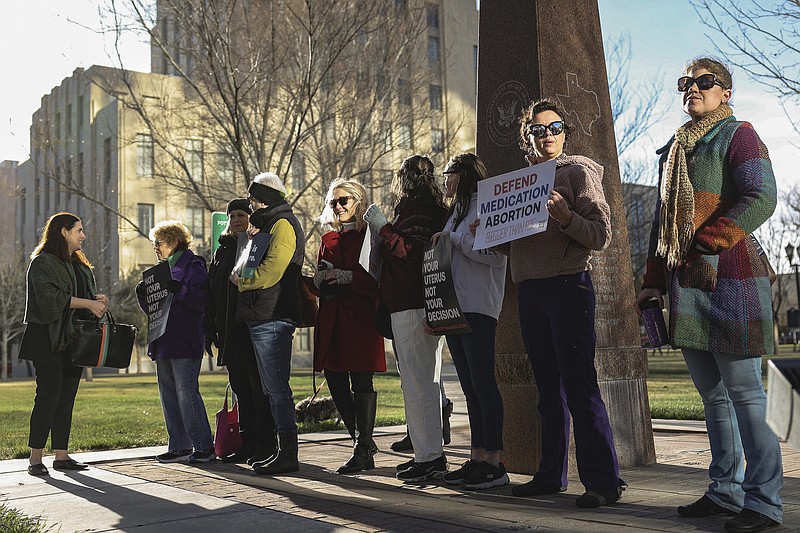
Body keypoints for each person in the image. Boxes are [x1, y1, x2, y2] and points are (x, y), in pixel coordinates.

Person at [634, 57, 782, 533]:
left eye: (703, 82)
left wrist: (706, 242)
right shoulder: (674, 149)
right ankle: (725, 491)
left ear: (726, 93)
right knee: (714, 398)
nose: (692, 89)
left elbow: (761, 196)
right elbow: (663, 225)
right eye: (685, 83)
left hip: (732, 279)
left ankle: (764, 502)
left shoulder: (739, 134)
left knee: (745, 394)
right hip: (686, 285)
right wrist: (652, 280)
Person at [497, 98, 624, 507]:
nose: (547, 135)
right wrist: (491, 231)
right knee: (547, 389)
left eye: (555, 127)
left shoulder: (578, 173)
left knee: (580, 385)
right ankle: (551, 474)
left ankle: (604, 482)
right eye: (538, 129)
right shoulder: (518, 186)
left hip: (570, 287)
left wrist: (567, 217)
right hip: (531, 291)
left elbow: (600, 236)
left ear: (565, 132)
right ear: (527, 137)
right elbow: (510, 249)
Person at [363, 154, 449, 482]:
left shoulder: (418, 210)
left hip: (413, 304)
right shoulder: (428, 208)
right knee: (420, 383)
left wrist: (383, 227)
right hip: (414, 303)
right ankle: (427, 455)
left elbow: (410, 253)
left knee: (419, 384)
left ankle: (430, 458)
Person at [432, 153, 508, 491]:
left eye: (447, 173)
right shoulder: (456, 213)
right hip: (455, 308)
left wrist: (456, 240)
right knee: (469, 387)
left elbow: (494, 255)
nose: (444, 180)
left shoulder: (486, 205)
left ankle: (494, 461)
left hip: (479, 305)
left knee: (483, 384)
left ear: (461, 175)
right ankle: (476, 457)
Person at [19, 212, 109, 476]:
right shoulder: (42, 262)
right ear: (63, 232)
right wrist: (88, 303)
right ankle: (35, 459)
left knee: (66, 398)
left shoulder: (79, 264)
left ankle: (61, 456)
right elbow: (50, 300)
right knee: (48, 397)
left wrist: (97, 300)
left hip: (73, 339)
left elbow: (79, 296)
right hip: (47, 338)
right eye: (78, 230)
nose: (83, 235)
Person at [312, 178, 386, 474]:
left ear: (359, 202)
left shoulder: (371, 235)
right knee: (334, 378)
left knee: (361, 381)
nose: (339, 206)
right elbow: (321, 278)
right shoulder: (327, 239)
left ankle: (364, 447)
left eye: (344, 201)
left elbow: (376, 281)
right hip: (332, 319)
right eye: (333, 202)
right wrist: (319, 280)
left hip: (361, 318)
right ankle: (361, 441)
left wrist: (347, 277)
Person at [237, 171, 305, 475]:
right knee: (271, 388)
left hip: (273, 316)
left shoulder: (284, 226)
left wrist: (242, 282)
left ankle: (288, 454)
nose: (251, 206)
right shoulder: (268, 226)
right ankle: (280, 450)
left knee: (278, 389)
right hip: (262, 315)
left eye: (254, 200)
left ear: (265, 200)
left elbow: (271, 272)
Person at [204, 198, 276, 464]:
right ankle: (246, 441)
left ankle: (265, 442)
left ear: (250, 219)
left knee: (258, 389)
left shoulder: (256, 247)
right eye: (232, 215)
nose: (236, 220)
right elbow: (212, 292)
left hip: (250, 328)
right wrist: (209, 327)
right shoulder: (222, 250)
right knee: (241, 389)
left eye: (241, 215)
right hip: (228, 332)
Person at [136, 220, 215, 464]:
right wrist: (143, 294)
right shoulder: (159, 270)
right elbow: (154, 310)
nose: (155, 248)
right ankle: (179, 444)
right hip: (163, 340)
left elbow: (203, 300)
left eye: (158, 243)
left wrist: (179, 289)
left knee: (186, 393)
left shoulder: (193, 264)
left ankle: (203, 446)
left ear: (172, 241)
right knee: (168, 394)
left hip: (185, 339)